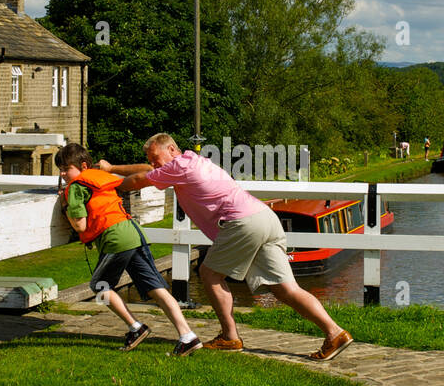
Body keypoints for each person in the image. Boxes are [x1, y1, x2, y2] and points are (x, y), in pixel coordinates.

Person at [101, 134, 353, 360]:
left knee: (210, 274)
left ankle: (229, 337)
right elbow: (146, 170)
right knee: (285, 289)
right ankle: (335, 333)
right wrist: (112, 167)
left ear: (173, 151)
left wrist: (104, 182)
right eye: (151, 160)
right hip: (264, 217)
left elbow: (137, 181)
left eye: (157, 158)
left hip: (241, 223)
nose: (154, 164)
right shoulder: (192, 161)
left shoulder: (178, 167)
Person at [55, 142, 201, 357]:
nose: (63, 174)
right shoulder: (101, 177)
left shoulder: (76, 188)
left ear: (83, 166)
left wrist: (65, 203)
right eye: (61, 169)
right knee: (156, 288)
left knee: (99, 286)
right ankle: (187, 336)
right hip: (133, 232)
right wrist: (112, 168)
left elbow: (80, 226)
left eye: (66, 168)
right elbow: (149, 169)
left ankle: (136, 327)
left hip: (115, 238)